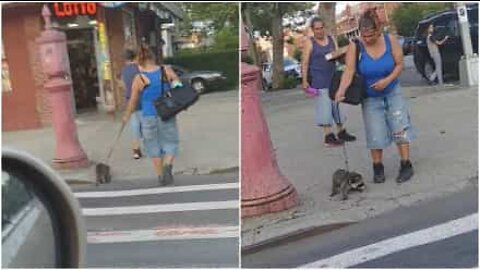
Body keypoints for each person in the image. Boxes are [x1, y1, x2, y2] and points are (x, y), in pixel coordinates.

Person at [334, 9, 416, 184]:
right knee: (375, 132)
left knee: (399, 126)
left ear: (378, 30)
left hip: (392, 90)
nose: (367, 39)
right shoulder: (355, 46)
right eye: (364, 35)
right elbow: (349, 71)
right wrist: (341, 91)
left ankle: (406, 164)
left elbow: (400, 64)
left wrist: (387, 80)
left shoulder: (390, 40)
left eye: (370, 35)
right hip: (370, 97)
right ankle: (378, 168)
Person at [122, 45, 182, 186]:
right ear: (153, 57)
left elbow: (133, 100)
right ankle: (168, 165)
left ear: (139, 60)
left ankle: (161, 176)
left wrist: (126, 115)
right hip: (166, 112)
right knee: (171, 142)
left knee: (152, 146)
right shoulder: (165, 70)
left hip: (148, 115)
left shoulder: (140, 78)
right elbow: (178, 85)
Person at [302, 17, 356, 147]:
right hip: (319, 81)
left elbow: (336, 55)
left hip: (333, 78)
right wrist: (304, 81)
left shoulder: (331, 39)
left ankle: (341, 131)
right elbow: (305, 63)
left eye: (321, 28)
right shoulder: (309, 43)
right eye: (317, 29)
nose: (320, 31)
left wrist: (343, 54)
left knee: (337, 105)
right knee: (325, 108)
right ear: (313, 30)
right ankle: (328, 135)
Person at [121, 49, 143, 159]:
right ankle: (153, 148)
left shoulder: (124, 70)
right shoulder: (139, 68)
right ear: (135, 57)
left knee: (135, 125)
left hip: (131, 101)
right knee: (147, 124)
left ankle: (136, 151)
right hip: (142, 99)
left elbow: (124, 86)